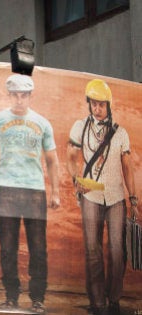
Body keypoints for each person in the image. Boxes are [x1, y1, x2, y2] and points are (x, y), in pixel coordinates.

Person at [0, 74, 60, 314]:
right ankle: (11, 297)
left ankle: (38, 298)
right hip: (7, 189)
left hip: (35, 190)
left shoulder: (43, 123)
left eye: (23, 95)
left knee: (38, 247)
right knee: (7, 247)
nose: (19, 99)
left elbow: (51, 160)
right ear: (9, 95)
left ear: (30, 96)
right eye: (15, 94)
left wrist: (55, 191)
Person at [66, 79, 139, 315]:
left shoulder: (121, 133)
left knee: (118, 251)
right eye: (94, 104)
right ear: (89, 105)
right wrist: (76, 180)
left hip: (116, 197)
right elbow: (71, 155)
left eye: (101, 104)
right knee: (93, 250)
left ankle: (114, 298)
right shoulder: (80, 127)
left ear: (109, 104)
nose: (97, 108)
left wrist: (134, 199)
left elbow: (127, 167)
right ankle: (98, 303)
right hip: (91, 196)